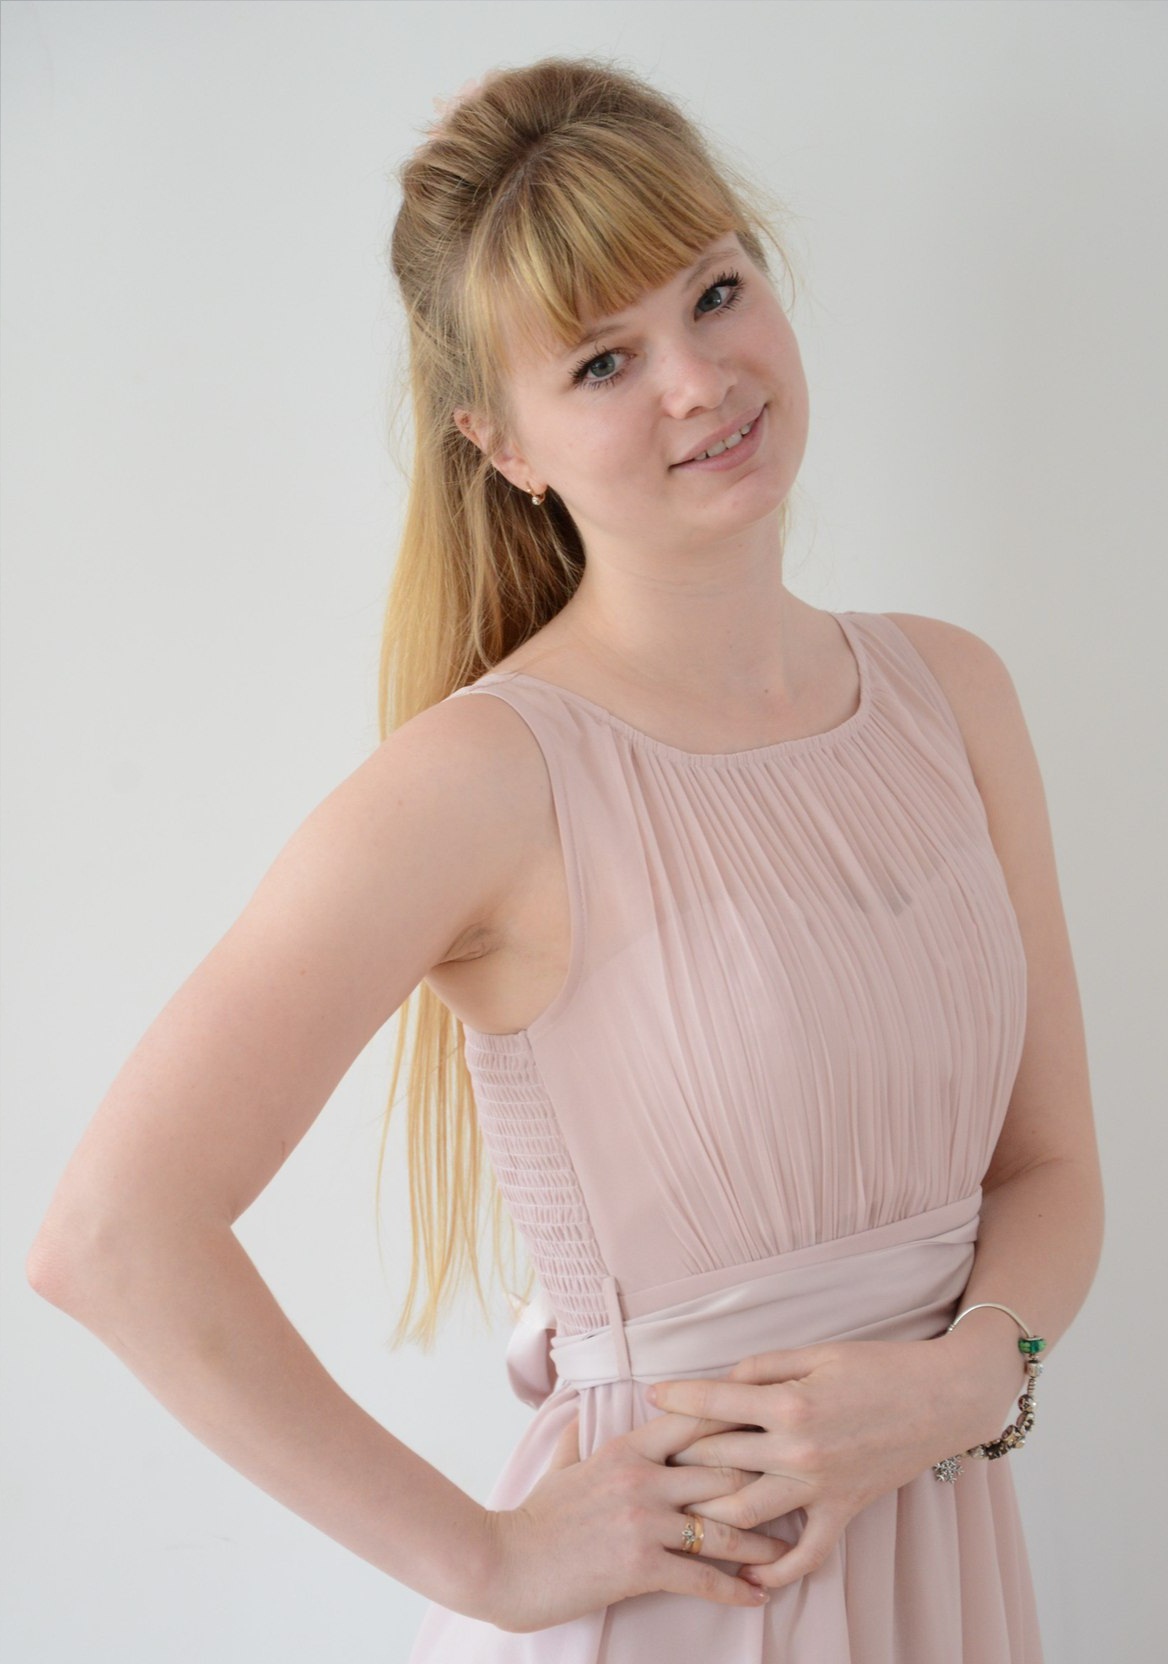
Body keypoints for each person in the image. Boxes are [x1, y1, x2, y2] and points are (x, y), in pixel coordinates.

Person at [27, 53, 1103, 1663]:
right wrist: (485, 1560)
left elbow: (1053, 1170)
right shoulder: (482, 783)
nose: (700, 380)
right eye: (604, 359)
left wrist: (970, 1379)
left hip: (941, 1556)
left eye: (717, 291)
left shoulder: (956, 694)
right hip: (685, 1605)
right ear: (502, 441)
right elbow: (112, 1233)